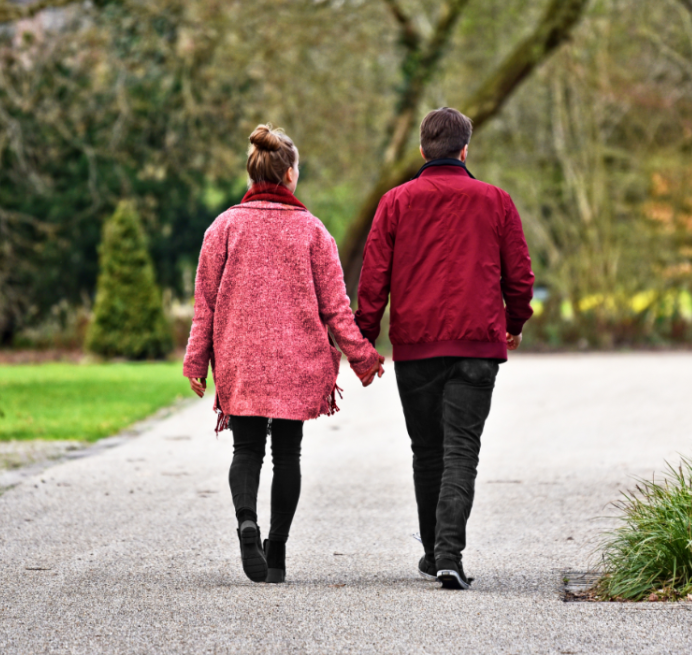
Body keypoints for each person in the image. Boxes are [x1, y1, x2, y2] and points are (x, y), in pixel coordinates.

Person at [183, 124, 383, 584]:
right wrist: (363, 358)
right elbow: (335, 308)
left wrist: (196, 363)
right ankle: (277, 554)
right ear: (290, 175)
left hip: (241, 357)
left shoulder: (224, 228)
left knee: (247, 448)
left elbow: (205, 306)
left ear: (252, 174)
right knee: (287, 455)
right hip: (297, 360)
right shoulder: (313, 231)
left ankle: (246, 522)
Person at [355, 107, 534, 590]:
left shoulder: (395, 202)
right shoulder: (495, 201)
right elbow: (519, 275)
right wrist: (515, 322)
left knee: (427, 451)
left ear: (422, 150)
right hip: (477, 345)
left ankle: (436, 554)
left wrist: (364, 340)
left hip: (416, 347)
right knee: (461, 450)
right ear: (465, 149)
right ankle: (448, 553)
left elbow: (373, 279)